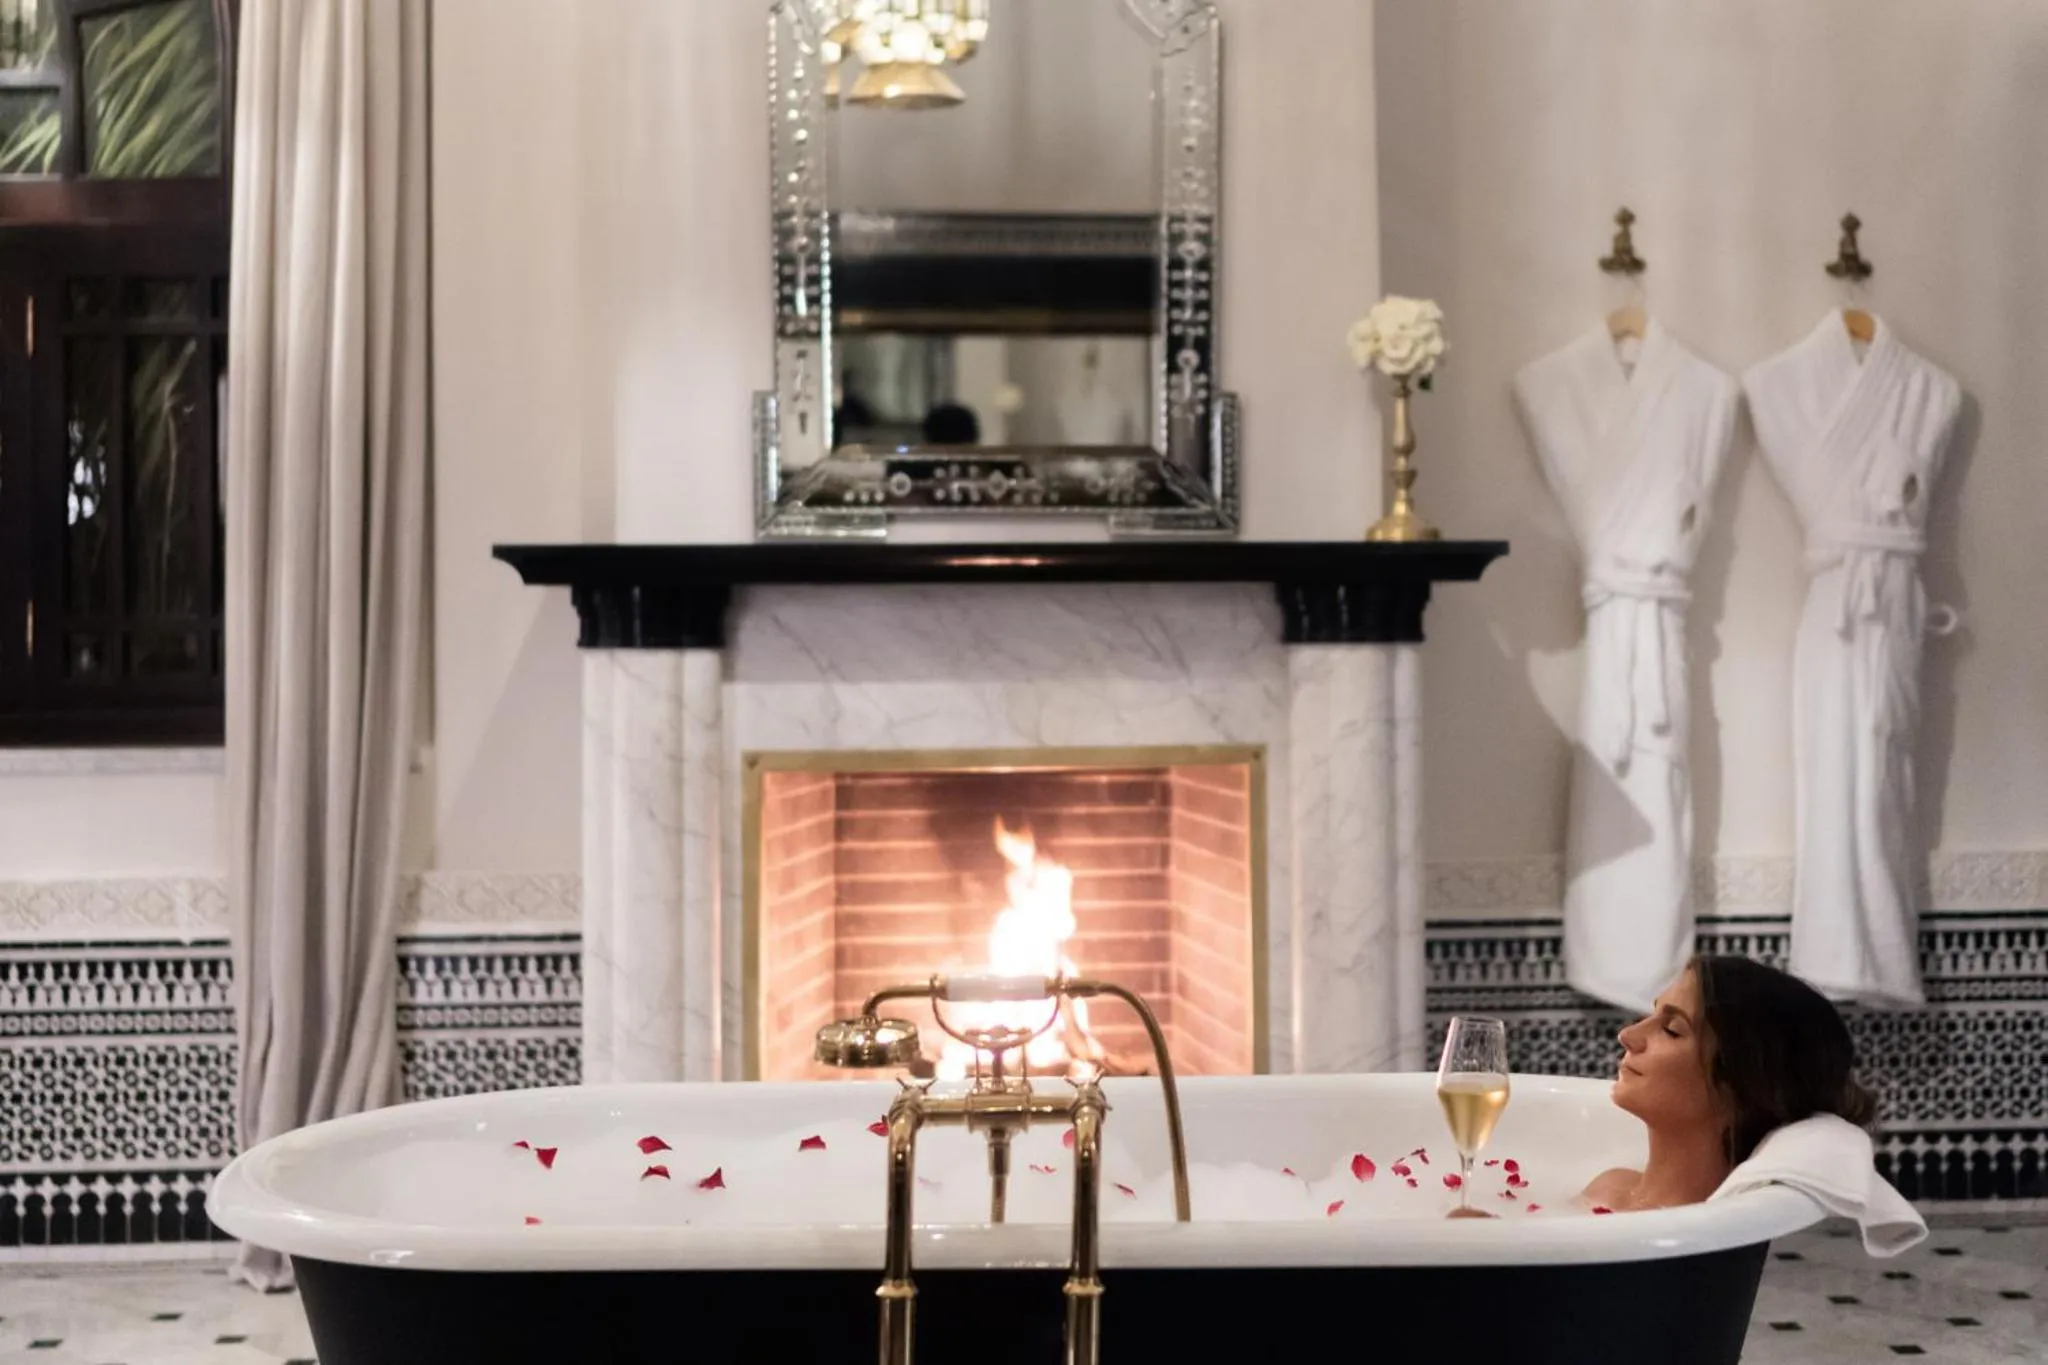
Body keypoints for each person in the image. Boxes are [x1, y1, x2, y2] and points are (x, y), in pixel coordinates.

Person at [1580, 954, 1877, 1212]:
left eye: (1672, 1030)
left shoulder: (1694, 1235)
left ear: (1741, 1087)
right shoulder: (1607, 1188)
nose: (1627, 1035)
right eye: (1650, 1015)